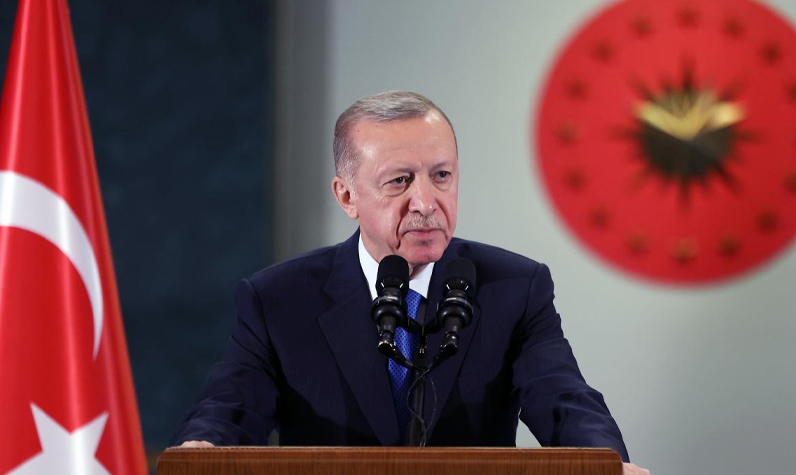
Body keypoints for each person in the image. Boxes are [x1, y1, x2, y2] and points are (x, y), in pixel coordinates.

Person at [172, 91, 650, 475]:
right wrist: (202, 447)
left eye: (441, 175)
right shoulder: (279, 299)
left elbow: (562, 397)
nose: (426, 201)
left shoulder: (514, 287)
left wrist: (607, 463)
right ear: (347, 196)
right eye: (399, 181)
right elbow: (232, 404)